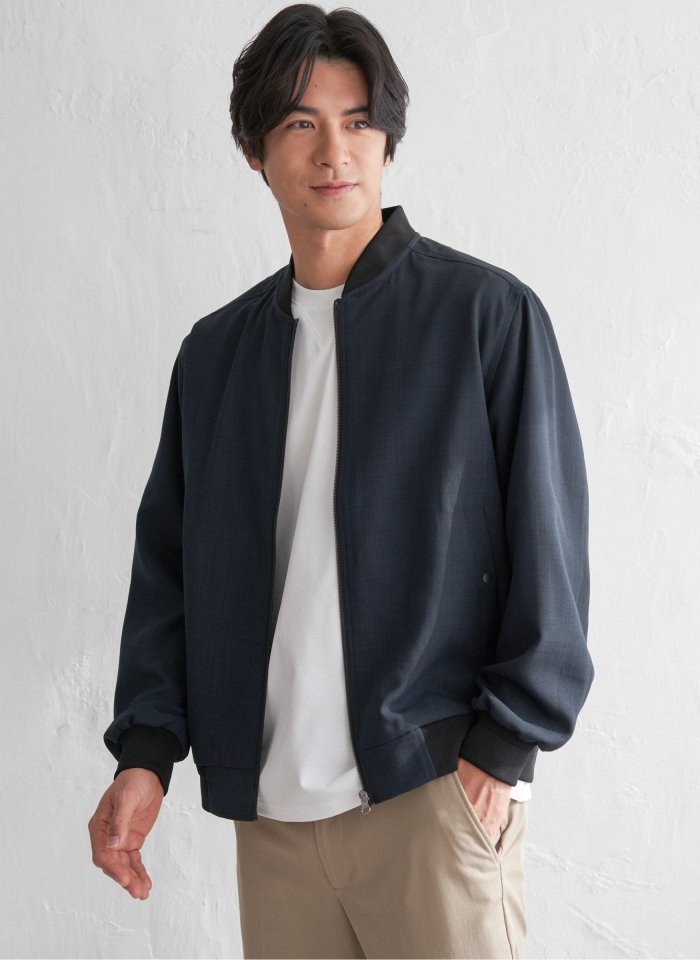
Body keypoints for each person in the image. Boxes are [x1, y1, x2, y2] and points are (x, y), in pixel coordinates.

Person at [88, 5, 595, 958]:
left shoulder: (485, 317)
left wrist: (500, 750)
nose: (335, 151)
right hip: (273, 819)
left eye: (359, 121)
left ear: (388, 141)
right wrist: (146, 754)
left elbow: (550, 550)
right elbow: (169, 574)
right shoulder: (216, 356)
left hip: (430, 797)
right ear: (255, 151)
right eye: (300, 123)